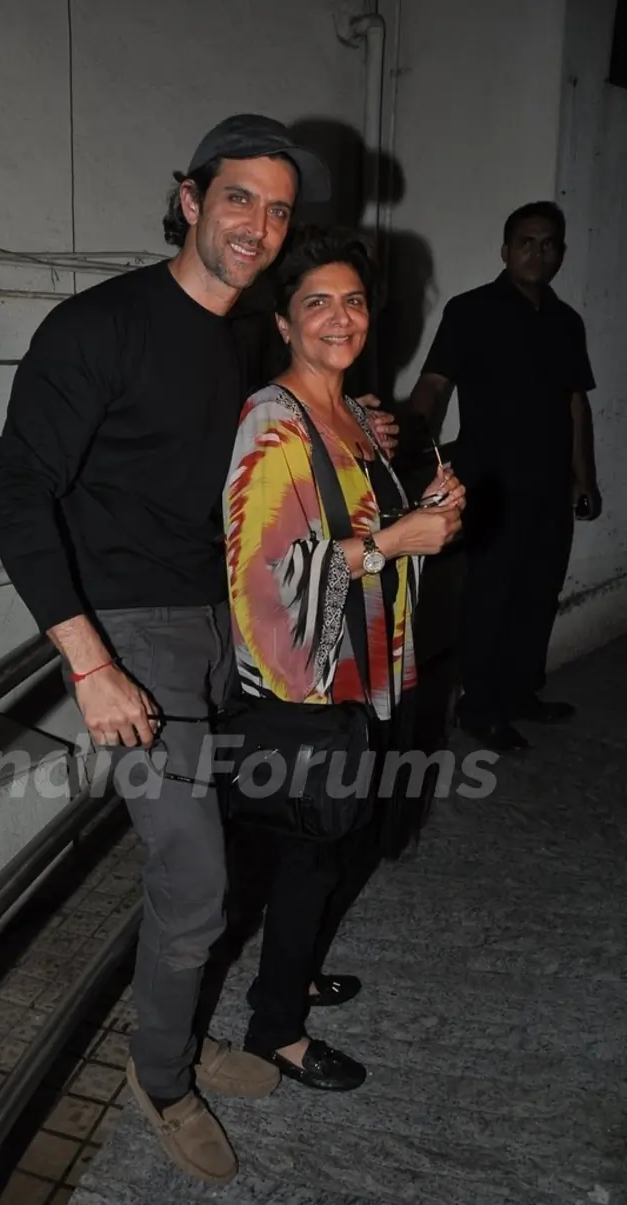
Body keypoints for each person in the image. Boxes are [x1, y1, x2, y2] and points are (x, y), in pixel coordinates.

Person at [0, 114, 335, 1184]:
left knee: (227, 852)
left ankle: (173, 1036)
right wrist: (89, 661)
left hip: (217, 626)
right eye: (239, 199)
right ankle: (162, 1077)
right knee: (192, 879)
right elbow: (11, 490)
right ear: (189, 197)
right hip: (128, 630)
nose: (258, 226)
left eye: (277, 210)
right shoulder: (99, 326)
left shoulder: (241, 337)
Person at [223, 225, 464, 1090]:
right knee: (311, 856)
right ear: (284, 322)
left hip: (373, 676)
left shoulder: (358, 414)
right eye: (315, 302)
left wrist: (428, 512)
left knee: (347, 844)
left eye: (353, 300)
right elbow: (260, 574)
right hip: (312, 690)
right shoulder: (273, 423)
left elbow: (376, 540)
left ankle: (294, 969)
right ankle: (275, 1028)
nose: (338, 317)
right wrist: (395, 538)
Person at [409, 202, 601, 752]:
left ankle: (520, 694)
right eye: (526, 242)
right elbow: (434, 383)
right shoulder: (471, 311)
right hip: (491, 482)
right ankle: (478, 707)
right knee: (490, 594)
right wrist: (413, 445)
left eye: (548, 244)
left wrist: (583, 478)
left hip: (550, 484)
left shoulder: (567, 323)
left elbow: (575, 405)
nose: (536, 253)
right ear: (505, 250)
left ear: (560, 254)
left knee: (539, 591)